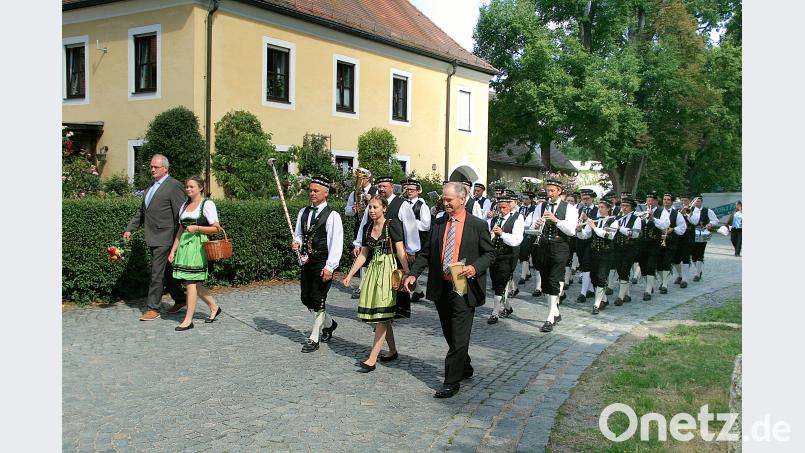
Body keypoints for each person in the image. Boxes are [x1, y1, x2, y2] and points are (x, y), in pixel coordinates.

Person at [404, 182, 496, 399]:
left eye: (449, 200)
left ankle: (451, 381)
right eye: (443, 199)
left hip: (464, 287)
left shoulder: (477, 225)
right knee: (450, 332)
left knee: (460, 333)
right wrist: (413, 274)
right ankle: (464, 365)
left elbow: (490, 254)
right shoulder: (438, 224)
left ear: (462, 200)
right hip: (441, 285)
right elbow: (426, 254)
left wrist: (474, 268)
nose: (444, 203)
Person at [342, 196, 410, 373]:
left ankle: (372, 359)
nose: (372, 210)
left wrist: (409, 274)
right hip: (374, 271)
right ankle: (393, 351)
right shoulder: (367, 228)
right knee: (383, 314)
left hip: (389, 271)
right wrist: (350, 274)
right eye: (370, 207)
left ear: (384, 208)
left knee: (382, 314)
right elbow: (364, 255)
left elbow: (401, 251)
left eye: (375, 207)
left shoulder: (392, 225)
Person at [123, 154, 188, 321]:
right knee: (166, 271)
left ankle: (153, 308)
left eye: (156, 167)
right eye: (151, 166)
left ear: (165, 168)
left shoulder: (173, 185)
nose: (152, 169)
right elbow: (142, 212)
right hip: (153, 236)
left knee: (156, 272)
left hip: (166, 237)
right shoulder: (151, 186)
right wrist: (130, 228)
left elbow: (180, 214)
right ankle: (181, 299)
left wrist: (179, 240)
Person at [292, 176, 344, 353]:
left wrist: (330, 266)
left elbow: (336, 243)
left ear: (326, 193)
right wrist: (297, 242)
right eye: (311, 190)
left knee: (318, 298)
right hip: (307, 261)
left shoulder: (332, 216)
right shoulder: (303, 212)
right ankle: (329, 324)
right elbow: (299, 234)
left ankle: (314, 337)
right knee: (306, 298)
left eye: (316, 191)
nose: (312, 193)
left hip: (322, 263)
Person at [168, 176, 222, 331]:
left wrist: (197, 228)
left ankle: (188, 320)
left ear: (200, 188)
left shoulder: (207, 204)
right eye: (187, 187)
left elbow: (216, 228)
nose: (188, 189)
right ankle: (213, 306)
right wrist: (173, 250)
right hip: (185, 246)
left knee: (191, 282)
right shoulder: (184, 205)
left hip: (198, 246)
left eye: (192, 186)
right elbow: (180, 230)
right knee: (192, 282)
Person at [532, 179, 578, 333]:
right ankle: (556, 313)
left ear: (559, 191)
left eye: (552, 191)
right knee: (545, 281)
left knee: (554, 279)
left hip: (560, 247)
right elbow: (532, 227)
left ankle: (550, 318)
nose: (549, 194)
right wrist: (537, 225)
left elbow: (571, 231)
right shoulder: (541, 206)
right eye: (548, 190)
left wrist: (556, 220)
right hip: (544, 246)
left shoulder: (570, 208)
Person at [486, 191, 524, 324]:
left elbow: (516, 240)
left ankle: (495, 313)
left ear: (510, 207)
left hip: (508, 256)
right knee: (496, 282)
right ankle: (508, 307)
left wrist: (502, 234)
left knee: (501, 283)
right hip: (495, 255)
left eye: (504, 208)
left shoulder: (518, 218)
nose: (501, 210)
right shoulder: (496, 219)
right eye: (499, 207)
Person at [579, 200, 618, 314]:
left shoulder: (613, 221)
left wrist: (594, 227)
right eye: (599, 207)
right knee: (594, 277)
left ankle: (596, 304)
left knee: (601, 277)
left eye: (602, 207)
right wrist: (579, 230)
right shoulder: (595, 220)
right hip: (593, 252)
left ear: (608, 209)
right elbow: (585, 236)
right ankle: (604, 300)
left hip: (606, 253)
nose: (600, 209)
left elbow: (609, 236)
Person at [345, 168, 377, 300]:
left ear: (367, 179)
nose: (359, 181)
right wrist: (352, 209)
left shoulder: (375, 191)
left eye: (362, 178)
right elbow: (347, 211)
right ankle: (362, 286)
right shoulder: (354, 193)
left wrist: (372, 200)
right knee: (361, 256)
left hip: (375, 227)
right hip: (360, 226)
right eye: (358, 178)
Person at [402, 178, 432, 302]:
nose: (409, 192)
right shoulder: (404, 203)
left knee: (413, 266)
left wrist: (411, 222)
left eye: (412, 190)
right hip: (406, 237)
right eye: (407, 189)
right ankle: (418, 291)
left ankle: (415, 291)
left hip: (419, 240)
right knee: (407, 266)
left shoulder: (422, 206)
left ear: (417, 191)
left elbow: (426, 225)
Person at [636, 192, 669, 301]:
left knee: (651, 266)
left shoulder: (662, 211)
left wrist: (653, 218)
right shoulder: (642, 211)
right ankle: (649, 285)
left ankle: (648, 290)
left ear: (655, 201)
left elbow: (665, 225)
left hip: (654, 243)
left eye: (651, 200)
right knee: (643, 266)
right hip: (642, 243)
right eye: (648, 200)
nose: (649, 202)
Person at [612, 197, 642, 306]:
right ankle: (627, 294)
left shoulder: (636, 218)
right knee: (620, 270)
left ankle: (620, 297)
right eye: (622, 206)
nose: (624, 208)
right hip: (617, 247)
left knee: (624, 270)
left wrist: (619, 228)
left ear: (632, 207)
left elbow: (634, 234)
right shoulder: (618, 217)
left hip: (630, 248)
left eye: (626, 206)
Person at [657, 193, 687, 294]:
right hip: (658, 240)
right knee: (659, 263)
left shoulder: (676, 214)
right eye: (664, 199)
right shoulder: (658, 212)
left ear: (672, 201)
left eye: (668, 199)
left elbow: (683, 227)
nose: (666, 201)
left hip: (671, 241)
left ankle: (665, 284)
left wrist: (673, 229)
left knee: (667, 261)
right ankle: (663, 281)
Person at [574, 189, 598, 303]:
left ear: (592, 198)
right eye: (583, 199)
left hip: (592, 241)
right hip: (580, 239)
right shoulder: (578, 209)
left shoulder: (597, 209)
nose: (585, 201)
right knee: (583, 264)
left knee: (587, 263)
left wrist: (586, 218)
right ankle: (591, 289)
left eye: (587, 199)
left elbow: (595, 224)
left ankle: (583, 293)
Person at [688, 195, 719, 281]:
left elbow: (715, 220)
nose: (696, 203)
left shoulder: (707, 210)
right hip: (692, 234)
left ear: (701, 202)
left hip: (704, 233)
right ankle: (699, 270)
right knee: (693, 254)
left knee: (700, 252)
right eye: (695, 201)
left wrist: (710, 224)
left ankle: (697, 274)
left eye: (698, 201)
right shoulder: (690, 210)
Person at [517, 191, 537, 285]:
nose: (524, 201)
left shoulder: (534, 209)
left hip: (529, 233)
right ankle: (527, 273)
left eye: (526, 199)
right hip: (520, 232)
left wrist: (525, 218)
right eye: (523, 198)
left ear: (531, 200)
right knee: (521, 253)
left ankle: (523, 275)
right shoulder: (521, 207)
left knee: (525, 253)